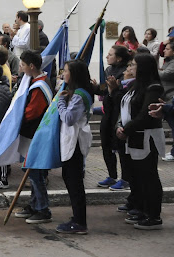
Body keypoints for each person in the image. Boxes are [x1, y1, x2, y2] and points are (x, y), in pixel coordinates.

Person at [116, 53, 165, 229]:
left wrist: (126, 129)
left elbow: (145, 114)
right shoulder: (136, 86)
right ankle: (143, 210)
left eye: (134, 65)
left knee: (149, 176)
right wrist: (120, 127)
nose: (130, 68)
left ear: (143, 67)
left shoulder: (153, 88)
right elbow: (125, 108)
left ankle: (154, 216)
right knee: (138, 176)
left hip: (146, 137)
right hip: (134, 136)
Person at [14, 50, 53, 224]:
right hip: (31, 134)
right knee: (30, 171)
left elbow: (32, 112)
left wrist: (15, 121)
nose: (20, 68)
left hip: (35, 134)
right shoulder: (32, 81)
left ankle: (42, 208)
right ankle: (34, 204)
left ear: (31, 66)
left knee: (35, 172)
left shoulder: (40, 85)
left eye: (22, 65)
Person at [54, 60, 93, 234]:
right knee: (69, 178)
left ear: (74, 74)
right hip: (71, 140)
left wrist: (60, 102)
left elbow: (69, 118)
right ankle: (77, 217)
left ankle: (80, 222)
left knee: (75, 181)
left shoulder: (79, 95)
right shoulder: (75, 92)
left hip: (76, 142)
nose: (63, 74)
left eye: (67, 71)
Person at [92, 45, 131, 189]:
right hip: (107, 113)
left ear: (119, 58)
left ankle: (125, 178)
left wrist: (114, 89)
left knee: (120, 148)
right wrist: (95, 87)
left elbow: (120, 96)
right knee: (106, 146)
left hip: (119, 115)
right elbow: (104, 91)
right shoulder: (108, 70)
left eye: (110, 54)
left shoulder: (125, 73)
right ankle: (112, 175)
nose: (107, 57)